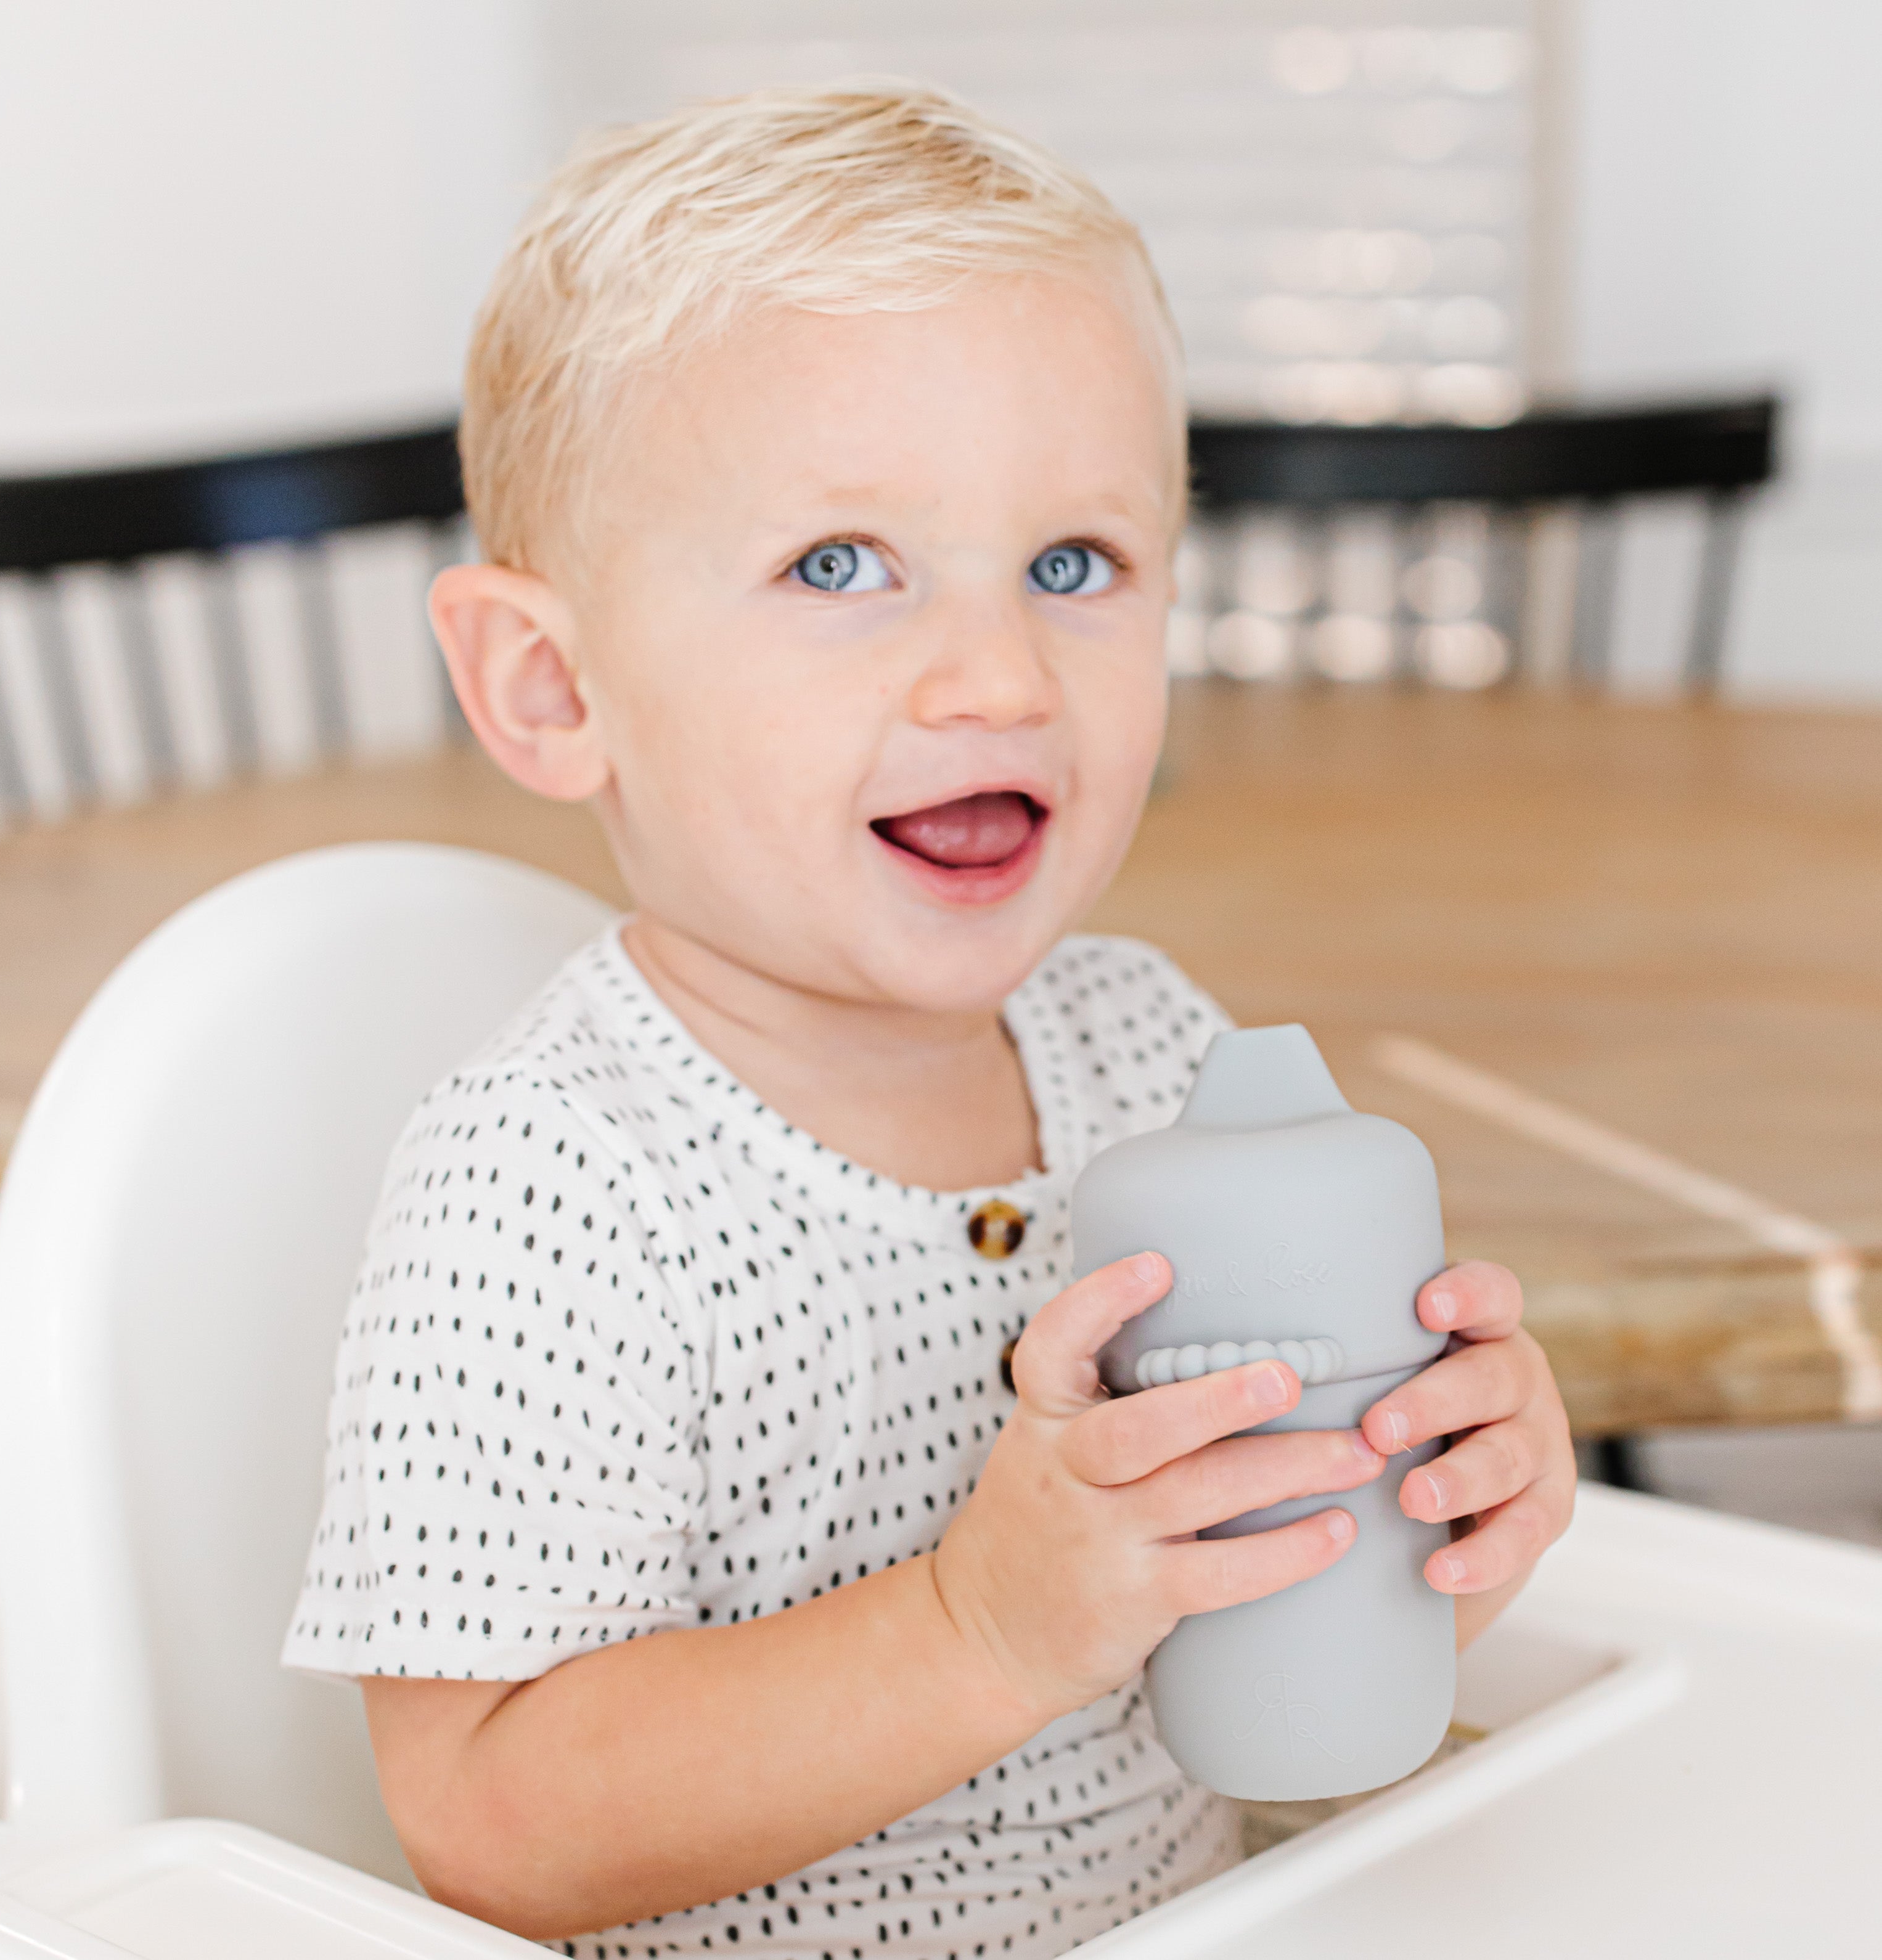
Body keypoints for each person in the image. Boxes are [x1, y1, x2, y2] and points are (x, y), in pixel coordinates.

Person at [284, 82, 1576, 1960]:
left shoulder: (1156, 1054)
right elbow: (485, 1813)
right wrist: (979, 1626)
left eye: (1073, 565)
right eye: (837, 565)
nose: (995, 673)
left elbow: (1249, 1627)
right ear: (553, 685)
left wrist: (1426, 1516)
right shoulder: (558, 1183)